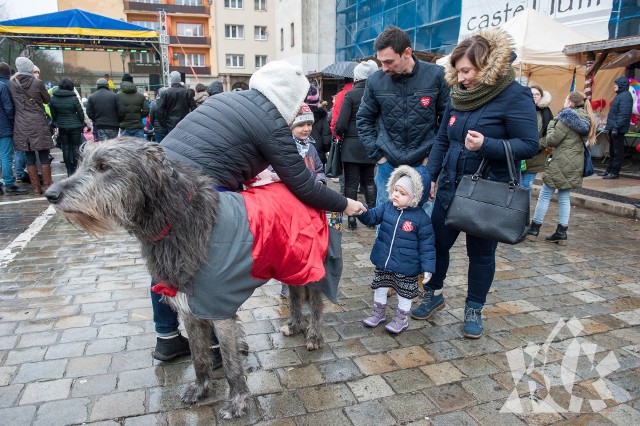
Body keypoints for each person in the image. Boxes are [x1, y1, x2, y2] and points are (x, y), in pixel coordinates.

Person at [150, 60, 366, 361]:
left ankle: (166, 336)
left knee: (165, 261)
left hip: (158, 185)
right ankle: (215, 344)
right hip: (197, 195)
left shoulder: (228, 98)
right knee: (209, 265)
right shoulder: (272, 122)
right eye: (299, 100)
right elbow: (304, 186)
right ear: (288, 98)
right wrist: (345, 203)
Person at [410, 29, 538, 338]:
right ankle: (434, 294)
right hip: (450, 188)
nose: (462, 77)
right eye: (458, 71)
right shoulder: (459, 95)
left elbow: (529, 144)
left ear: (487, 65)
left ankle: (474, 307)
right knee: (437, 243)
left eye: (467, 70)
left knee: (481, 254)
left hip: (487, 192)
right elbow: (443, 140)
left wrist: (488, 145)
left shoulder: (514, 95)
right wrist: (430, 177)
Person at [356, 25, 449, 212]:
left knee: (422, 222)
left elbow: (447, 120)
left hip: (423, 165)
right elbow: (364, 119)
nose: (384, 68)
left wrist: (431, 158)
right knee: (386, 223)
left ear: (407, 52)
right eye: (381, 62)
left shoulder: (436, 75)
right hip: (387, 165)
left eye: (389, 62)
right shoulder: (375, 81)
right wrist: (378, 156)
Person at [358, 165, 435, 334]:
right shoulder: (386, 207)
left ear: (414, 197)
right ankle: (378, 312)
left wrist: (428, 268)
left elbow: (427, 246)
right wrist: (362, 211)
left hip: (406, 265)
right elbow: (372, 217)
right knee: (380, 286)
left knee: (404, 293)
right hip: (384, 259)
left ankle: (401, 318)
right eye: (395, 190)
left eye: (402, 193)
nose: (395, 195)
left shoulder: (421, 219)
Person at [526, 91, 596, 244]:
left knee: (545, 194)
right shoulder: (586, 119)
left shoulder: (566, 118)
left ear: (571, 102)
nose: (564, 101)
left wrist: (552, 124)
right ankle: (561, 232)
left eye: (565, 99)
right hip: (575, 163)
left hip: (561, 161)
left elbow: (552, 140)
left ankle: (534, 230)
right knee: (564, 197)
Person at [335, 60, 379, 229]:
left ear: (357, 77)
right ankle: (372, 216)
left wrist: (341, 134)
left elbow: (341, 124)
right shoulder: (376, 94)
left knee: (351, 183)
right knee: (369, 180)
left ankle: (352, 219)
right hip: (370, 144)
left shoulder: (351, 95)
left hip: (351, 146)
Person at [9, 57, 53, 195]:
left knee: (29, 156)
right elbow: (47, 99)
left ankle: (36, 189)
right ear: (30, 68)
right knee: (44, 155)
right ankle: (47, 186)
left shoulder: (12, 84)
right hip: (38, 122)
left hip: (21, 123)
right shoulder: (37, 83)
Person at [521, 85, 553, 202]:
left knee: (526, 186)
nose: (534, 96)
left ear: (541, 96)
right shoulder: (519, 109)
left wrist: (534, 144)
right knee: (516, 186)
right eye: (531, 94)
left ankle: (524, 214)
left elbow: (549, 135)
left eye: (537, 94)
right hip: (518, 153)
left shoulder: (546, 113)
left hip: (535, 154)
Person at [0, 62, 28, 195]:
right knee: (6, 156)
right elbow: (8, 108)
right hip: (4, 127)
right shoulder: (4, 86)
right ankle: (9, 184)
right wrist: (14, 121)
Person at [49, 78, 87, 176]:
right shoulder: (73, 98)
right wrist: (81, 122)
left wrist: (58, 121)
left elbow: (53, 114)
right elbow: (80, 112)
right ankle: (76, 169)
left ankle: (69, 170)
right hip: (75, 126)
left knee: (65, 148)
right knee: (75, 147)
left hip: (62, 126)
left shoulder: (54, 98)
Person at [600, 77, 633, 179]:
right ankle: (609, 170)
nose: (614, 86)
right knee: (613, 151)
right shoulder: (620, 96)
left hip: (618, 129)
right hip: (614, 128)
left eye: (616, 84)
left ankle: (614, 172)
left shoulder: (625, 96)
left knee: (617, 152)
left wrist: (616, 127)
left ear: (621, 85)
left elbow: (624, 114)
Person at [305, 85, 331, 165]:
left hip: (301, 154)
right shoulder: (322, 117)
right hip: (318, 154)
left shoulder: (299, 115)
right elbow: (326, 139)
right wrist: (325, 150)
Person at [117, 74, 149, 139]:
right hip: (138, 126)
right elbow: (146, 111)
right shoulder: (141, 96)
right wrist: (139, 116)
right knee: (140, 147)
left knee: (126, 148)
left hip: (124, 127)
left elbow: (115, 111)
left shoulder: (118, 96)